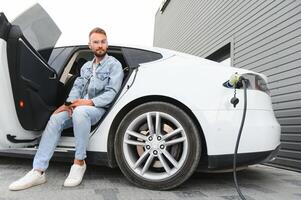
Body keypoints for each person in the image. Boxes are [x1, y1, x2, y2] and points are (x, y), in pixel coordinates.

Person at [9, 27, 124, 191]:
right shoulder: (85, 68)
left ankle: (79, 162)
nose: (100, 45)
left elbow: (111, 93)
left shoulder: (114, 65)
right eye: (96, 42)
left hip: (98, 108)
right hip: (80, 108)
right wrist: (67, 105)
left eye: (103, 42)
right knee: (55, 119)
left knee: (80, 111)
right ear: (90, 45)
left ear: (107, 44)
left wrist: (87, 103)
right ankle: (38, 171)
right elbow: (77, 88)